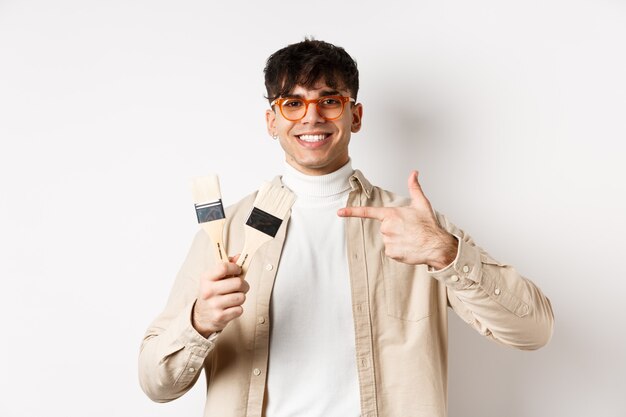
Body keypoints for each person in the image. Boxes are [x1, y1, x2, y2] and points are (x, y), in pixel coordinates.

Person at [138, 39, 554, 417]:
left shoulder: (417, 228)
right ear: (272, 121)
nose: (312, 117)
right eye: (292, 103)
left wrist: (447, 254)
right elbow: (156, 385)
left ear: (355, 116)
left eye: (329, 101)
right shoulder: (227, 232)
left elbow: (533, 331)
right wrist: (199, 322)